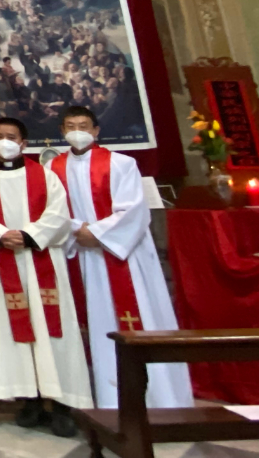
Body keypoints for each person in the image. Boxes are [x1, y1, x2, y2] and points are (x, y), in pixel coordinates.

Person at [51, 106, 193, 408]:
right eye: (71, 126)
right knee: (99, 327)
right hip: (83, 256)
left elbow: (134, 210)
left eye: (84, 125)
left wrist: (99, 233)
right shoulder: (53, 170)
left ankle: (161, 399)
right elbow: (52, 212)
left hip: (123, 257)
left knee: (139, 317)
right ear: (62, 131)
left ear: (96, 130)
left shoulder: (122, 163)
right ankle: (110, 402)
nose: (78, 131)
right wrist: (79, 230)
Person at [0, 118, 92, 436]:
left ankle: (63, 404)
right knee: (16, 331)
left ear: (23, 143)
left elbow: (59, 214)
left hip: (43, 259)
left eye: (11, 137)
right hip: (6, 260)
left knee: (54, 331)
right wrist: (1, 235)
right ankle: (29, 400)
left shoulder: (45, 176)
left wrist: (29, 234)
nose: (4, 142)